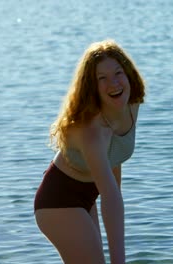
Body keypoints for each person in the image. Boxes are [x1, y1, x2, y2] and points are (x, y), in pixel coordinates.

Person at [34, 39, 145, 264]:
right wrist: (119, 261)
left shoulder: (131, 106)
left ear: (129, 74)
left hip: (88, 196)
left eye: (118, 73)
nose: (113, 83)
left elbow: (115, 161)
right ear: (91, 87)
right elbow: (111, 195)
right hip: (58, 200)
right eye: (101, 79)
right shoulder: (92, 131)